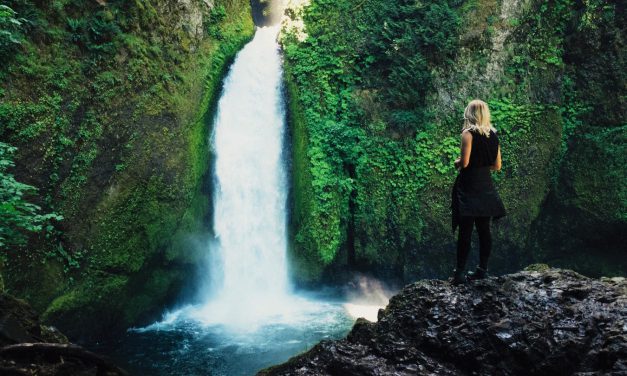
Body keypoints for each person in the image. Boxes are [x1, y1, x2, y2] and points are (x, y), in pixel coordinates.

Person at [450, 99, 506, 285]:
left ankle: (459, 273)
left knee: (465, 231)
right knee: (484, 231)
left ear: (470, 113)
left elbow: (464, 163)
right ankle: (482, 270)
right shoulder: (494, 135)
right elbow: (497, 166)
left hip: (469, 186)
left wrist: (457, 162)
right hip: (485, 186)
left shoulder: (468, 134)